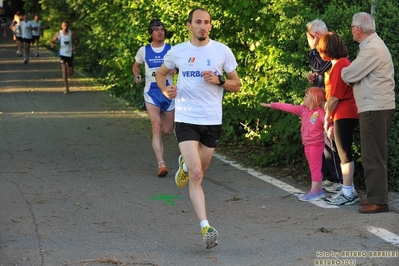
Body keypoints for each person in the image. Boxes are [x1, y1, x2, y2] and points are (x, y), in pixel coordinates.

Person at [155, 7, 241, 249]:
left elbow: (238, 84)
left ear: (210, 26)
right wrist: (164, 89)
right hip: (186, 118)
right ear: (189, 25)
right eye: (198, 22)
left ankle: (184, 163)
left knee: (199, 171)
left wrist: (220, 80)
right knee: (196, 175)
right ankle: (206, 227)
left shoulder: (222, 51)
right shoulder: (178, 51)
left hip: (212, 121)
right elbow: (161, 74)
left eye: (207, 22)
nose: (203, 26)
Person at [341, 12, 395, 213]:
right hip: (375, 105)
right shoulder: (372, 45)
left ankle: (379, 201)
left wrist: (344, 72)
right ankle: (375, 196)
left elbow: (351, 73)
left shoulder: (372, 48)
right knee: (372, 153)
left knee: (373, 155)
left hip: (375, 107)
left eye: (351, 26)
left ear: (358, 28)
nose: (351, 30)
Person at [261, 87, 327, 202]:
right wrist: (273, 105)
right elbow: (289, 107)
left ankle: (314, 192)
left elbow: (327, 122)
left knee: (315, 168)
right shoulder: (303, 110)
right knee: (314, 167)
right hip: (307, 144)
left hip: (316, 144)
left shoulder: (320, 113)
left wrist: (330, 129)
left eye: (306, 96)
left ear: (314, 99)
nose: (304, 98)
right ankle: (318, 190)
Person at [317, 32, 359, 206]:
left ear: (327, 49)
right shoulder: (342, 63)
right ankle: (349, 189)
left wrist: (327, 118)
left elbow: (334, 97)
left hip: (344, 112)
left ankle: (347, 191)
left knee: (344, 154)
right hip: (345, 111)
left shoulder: (339, 65)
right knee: (344, 152)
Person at [132, 19, 175, 177]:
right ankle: (161, 164)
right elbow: (136, 65)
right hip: (151, 93)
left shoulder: (171, 49)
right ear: (151, 33)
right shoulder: (144, 50)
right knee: (156, 127)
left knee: (167, 130)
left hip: (168, 93)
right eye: (156, 29)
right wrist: (137, 74)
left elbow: (179, 66)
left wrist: (175, 69)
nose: (160, 32)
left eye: (162, 29)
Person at [306, 19, 343, 193]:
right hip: (321, 103)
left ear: (316, 36)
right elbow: (319, 70)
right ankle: (329, 176)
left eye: (310, 38)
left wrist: (313, 50)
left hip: (332, 103)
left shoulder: (330, 48)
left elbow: (321, 67)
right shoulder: (322, 51)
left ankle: (339, 179)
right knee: (322, 141)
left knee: (331, 141)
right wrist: (314, 76)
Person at [50, 20, 79, 94]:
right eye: (64, 26)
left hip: (70, 54)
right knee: (64, 70)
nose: (65, 27)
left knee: (70, 72)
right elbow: (52, 41)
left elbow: (77, 40)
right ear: (61, 26)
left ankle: (69, 73)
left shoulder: (71, 33)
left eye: (66, 26)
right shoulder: (58, 34)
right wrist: (52, 44)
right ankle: (66, 88)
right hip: (62, 54)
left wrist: (75, 45)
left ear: (68, 26)